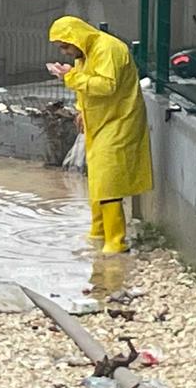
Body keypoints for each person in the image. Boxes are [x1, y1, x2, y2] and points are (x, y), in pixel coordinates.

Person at [47, 16, 152, 255]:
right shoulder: (84, 54)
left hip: (120, 121)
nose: (64, 52)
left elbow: (106, 86)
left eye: (65, 46)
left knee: (108, 179)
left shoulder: (108, 49)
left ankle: (116, 242)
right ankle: (98, 232)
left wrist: (69, 77)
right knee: (96, 176)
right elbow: (88, 87)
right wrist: (81, 111)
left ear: (76, 38)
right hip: (100, 121)